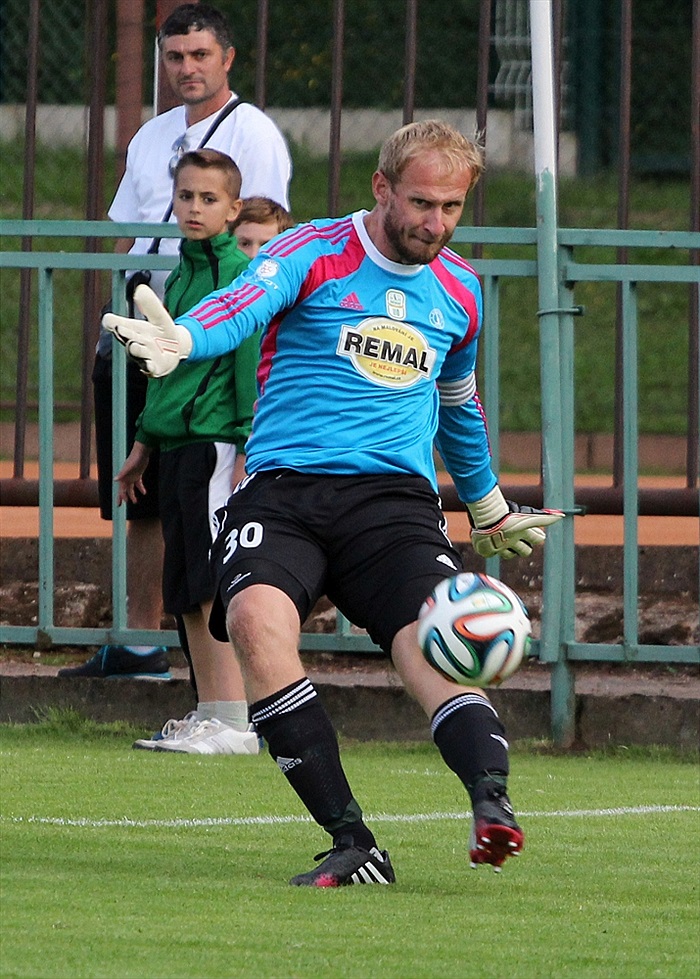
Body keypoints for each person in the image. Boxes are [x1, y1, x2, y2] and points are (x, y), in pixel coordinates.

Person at [104, 120, 563, 885]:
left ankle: (492, 802)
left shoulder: (459, 292)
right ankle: (354, 841)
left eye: (452, 207)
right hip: (286, 490)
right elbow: (245, 303)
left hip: (394, 503)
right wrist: (185, 337)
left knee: (436, 641)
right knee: (254, 620)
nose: (435, 223)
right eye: (421, 202)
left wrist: (487, 509)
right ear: (382, 187)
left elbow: (459, 405)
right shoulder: (313, 249)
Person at [60, 1, 292, 680]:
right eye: (174, 56)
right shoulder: (150, 136)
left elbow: (262, 235)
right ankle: (139, 641)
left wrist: (229, 325)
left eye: (199, 55)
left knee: (210, 495)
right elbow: (135, 237)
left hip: (212, 333)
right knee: (139, 495)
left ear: (227, 59)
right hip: (143, 325)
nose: (186, 68)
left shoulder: (256, 134)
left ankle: (230, 674)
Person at [114, 149, 264, 755]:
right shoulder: (178, 275)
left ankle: (234, 719)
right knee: (183, 582)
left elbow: (249, 366)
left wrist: (251, 446)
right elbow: (166, 376)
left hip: (216, 446)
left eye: (209, 199)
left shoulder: (238, 273)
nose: (194, 209)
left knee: (209, 579)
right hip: (176, 445)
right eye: (185, 197)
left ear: (233, 209)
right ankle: (212, 711)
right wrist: (143, 445)